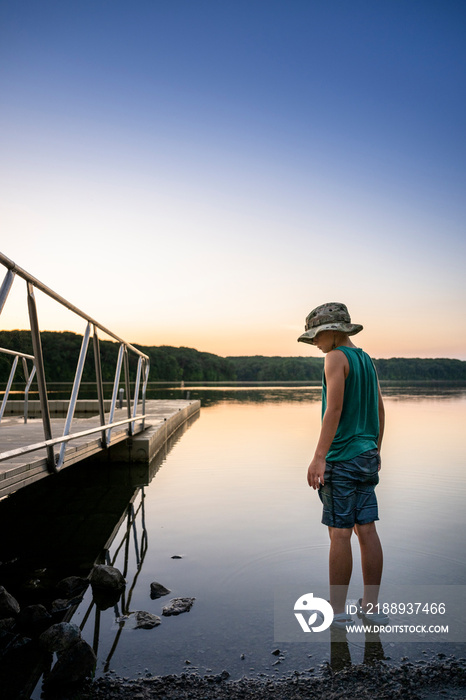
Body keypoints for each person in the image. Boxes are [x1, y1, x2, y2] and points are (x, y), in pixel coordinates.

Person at [298, 302, 388, 629]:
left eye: (317, 336)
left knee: (339, 534)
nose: (315, 344)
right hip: (366, 456)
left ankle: (336, 611)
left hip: (342, 457)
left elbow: (332, 411)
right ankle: (372, 607)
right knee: (367, 529)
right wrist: (375, 451)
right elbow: (379, 410)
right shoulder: (366, 360)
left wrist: (319, 456)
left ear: (334, 332)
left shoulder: (335, 358)